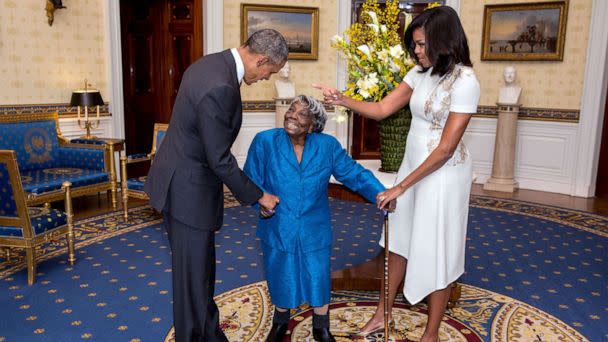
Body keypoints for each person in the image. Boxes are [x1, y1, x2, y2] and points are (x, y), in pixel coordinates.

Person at [313, 6, 480, 342]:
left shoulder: (466, 81)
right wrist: (343, 99)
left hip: (444, 176)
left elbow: (446, 148)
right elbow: (382, 109)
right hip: (412, 166)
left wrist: (400, 186)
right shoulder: (418, 74)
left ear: (443, 41)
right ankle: (381, 314)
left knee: (438, 251)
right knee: (397, 242)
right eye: (414, 45)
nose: (416, 51)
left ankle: (430, 333)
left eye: (421, 44)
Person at [144, 29, 288, 342]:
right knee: (192, 282)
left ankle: (209, 334)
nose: (266, 78)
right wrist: (259, 195)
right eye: (269, 72)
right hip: (187, 191)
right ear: (261, 59)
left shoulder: (209, 63)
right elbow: (219, 160)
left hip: (179, 180)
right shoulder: (221, 85)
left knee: (198, 276)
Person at [243, 95, 386, 342]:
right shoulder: (264, 141)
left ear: (312, 126)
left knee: (317, 274)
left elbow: (353, 174)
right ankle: (280, 322)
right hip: (277, 223)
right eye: (291, 110)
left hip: (314, 226)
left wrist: (380, 193)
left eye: (301, 114)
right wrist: (261, 201)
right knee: (280, 272)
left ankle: (321, 327)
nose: (291, 115)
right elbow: (250, 178)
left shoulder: (326, 146)